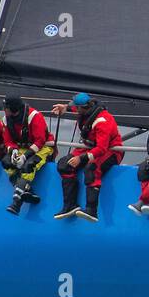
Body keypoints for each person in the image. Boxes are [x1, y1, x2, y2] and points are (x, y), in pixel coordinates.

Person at [50, 92, 123, 221]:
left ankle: (91, 210)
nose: (75, 110)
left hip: (110, 151)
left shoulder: (102, 122)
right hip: (89, 147)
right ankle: (70, 205)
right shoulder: (85, 110)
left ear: (83, 108)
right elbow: (73, 107)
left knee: (92, 169)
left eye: (77, 108)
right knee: (63, 165)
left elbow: (101, 148)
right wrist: (65, 108)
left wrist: (81, 159)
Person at [1, 96, 56, 215]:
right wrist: (13, 150)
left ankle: (16, 204)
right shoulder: (6, 119)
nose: (4, 110)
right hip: (22, 147)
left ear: (13, 109)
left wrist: (25, 156)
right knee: (7, 163)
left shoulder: (35, 116)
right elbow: (8, 141)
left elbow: (40, 141)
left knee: (28, 166)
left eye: (6, 108)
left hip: (44, 147)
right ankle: (28, 192)